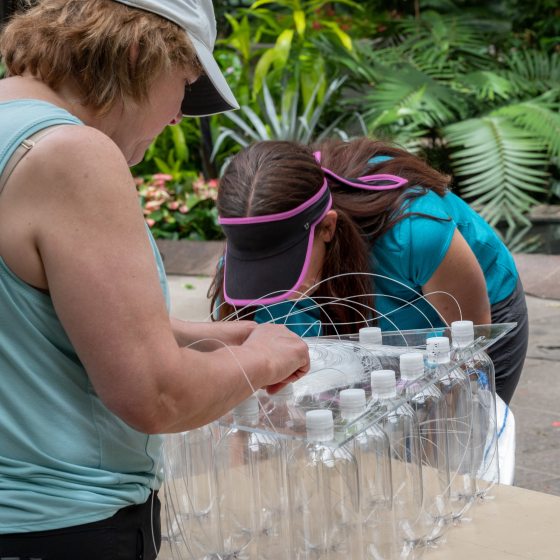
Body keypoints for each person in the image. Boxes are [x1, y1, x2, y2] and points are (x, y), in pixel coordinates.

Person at [0, 1, 309, 557]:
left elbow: (28, 330)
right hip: (62, 525)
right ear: (142, 51)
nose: (176, 116)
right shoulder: (71, 153)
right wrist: (262, 356)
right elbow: (156, 397)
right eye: (185, 84)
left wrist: (202, 337)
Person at [210, 138, 529, 406]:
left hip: (460, 317)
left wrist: (450, 419)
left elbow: (471, 348)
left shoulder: (412, 232)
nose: (271, 284)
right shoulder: (249, 253)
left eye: (285, 264)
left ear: (327, 228)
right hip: (359, 320)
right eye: (259, 265)